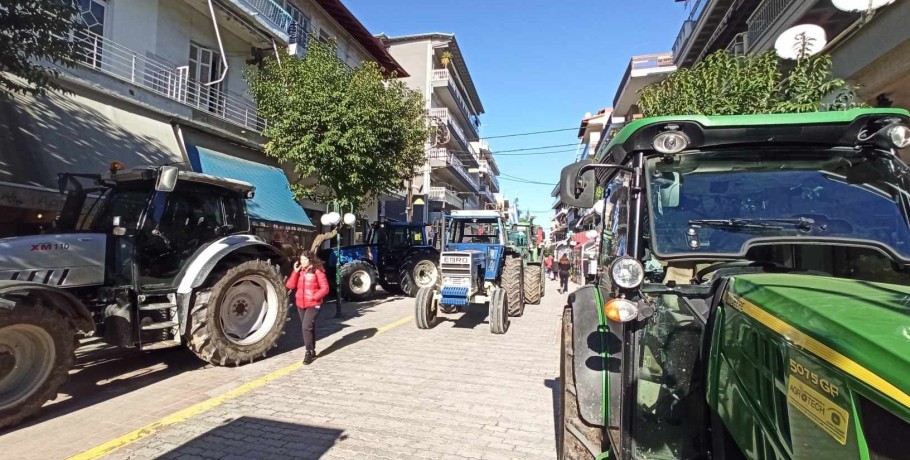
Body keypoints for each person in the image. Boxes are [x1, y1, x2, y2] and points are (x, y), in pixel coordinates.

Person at [285, 250, 330, 364]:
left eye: (304, 259)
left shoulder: (317, 271)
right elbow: (290, 285)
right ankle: (313, 349)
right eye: (301, 259)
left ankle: (308, 352)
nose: (302, 262)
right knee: (309, 327)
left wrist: (315, 297)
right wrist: (295, 272)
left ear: (310, 260)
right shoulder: (300, 271)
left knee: (306, 327)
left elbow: (325, 288)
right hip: (301, 304)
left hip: (313, 304)